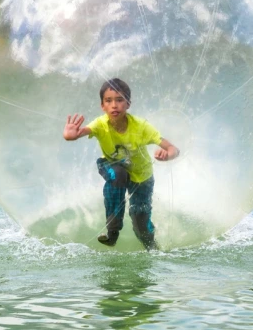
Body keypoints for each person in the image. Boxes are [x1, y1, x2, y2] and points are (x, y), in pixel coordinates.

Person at [63, 78, 179, 250]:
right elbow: (82, 132)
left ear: (128, 104)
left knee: (139, 218)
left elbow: (173, 148)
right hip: (111, 165)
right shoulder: (100, 124)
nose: (114, 105)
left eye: (119, 100)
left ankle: (152, 247)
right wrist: (70, 135)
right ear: (102, 106)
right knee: (117, 174)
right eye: (108, 101)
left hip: (142, 178)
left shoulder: (141, 127)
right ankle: (112, 233)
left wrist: (166, 155)